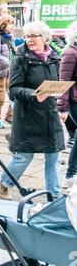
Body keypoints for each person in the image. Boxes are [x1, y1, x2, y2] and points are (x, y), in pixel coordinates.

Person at [0, 21, 64, 200]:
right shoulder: (21, 58)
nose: (29, 40)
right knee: (25, 156)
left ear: (44, 37)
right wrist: (34, 94)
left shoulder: (54, 57)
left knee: (53, 156)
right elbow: (14, 89)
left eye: (34, 36)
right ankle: (3, 182)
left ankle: (54, 197)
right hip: (28, 115)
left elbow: (57, 82)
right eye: (27, 36)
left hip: (49, 114)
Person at [57, 21, 77, 190]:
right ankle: (70, 175)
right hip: (75, 103)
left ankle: (70, 175)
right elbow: (64, 81)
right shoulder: (70, 52)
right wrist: (62, 107)